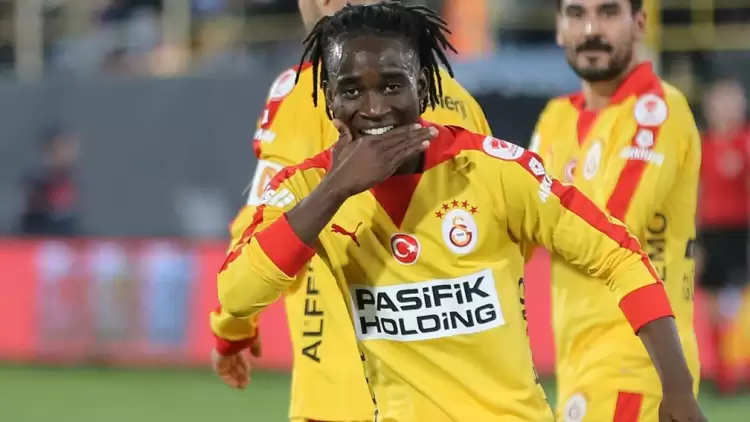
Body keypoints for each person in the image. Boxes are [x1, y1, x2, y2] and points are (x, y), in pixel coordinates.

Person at [216, 2, 705, 421]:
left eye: (392, 87)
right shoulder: (309, 186)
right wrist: (336, 189)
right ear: (327, 97)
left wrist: (677, 387)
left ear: (422, 88)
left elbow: (617, 249)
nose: (374, 108)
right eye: (351, 91)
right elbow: (236, 291)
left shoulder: (491, 171)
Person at [210, 0, 491, 421]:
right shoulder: (455, 95)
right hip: (455, 392)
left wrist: (231, 330)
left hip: (344, 392)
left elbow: (259, 233)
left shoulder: (310, 88)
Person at [528, 0, 701, 420]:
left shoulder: (657, 110)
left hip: (636, 365)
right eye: (576, 14)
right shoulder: (555, 118)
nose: (591, 30)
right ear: (559, 28)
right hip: (578, 362)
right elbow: (517, 227)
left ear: (639, 23)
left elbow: (607, 226)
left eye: (608, 13)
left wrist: (527, 208)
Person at [698, 78, 750, 395]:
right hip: (711, 232)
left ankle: (740, 368)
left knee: (739, 304)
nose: (726, 109)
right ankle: (723, 373)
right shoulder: (703, 146)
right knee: (714, 305)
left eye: (732, 102)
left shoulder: (745, 143)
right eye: (720, 103)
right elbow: (696, 192)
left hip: (740, 231)